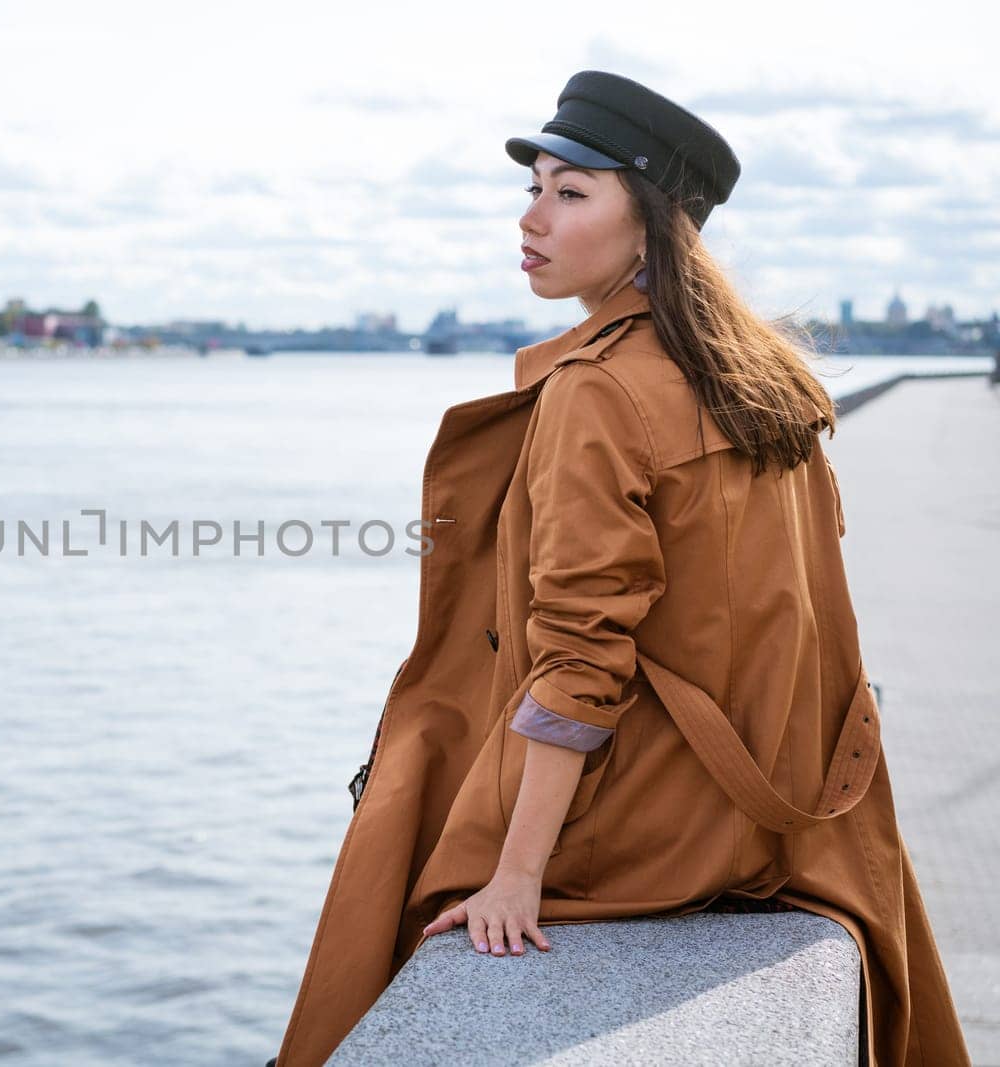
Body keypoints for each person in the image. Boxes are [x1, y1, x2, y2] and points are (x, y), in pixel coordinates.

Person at [269, 71, 969, 1067]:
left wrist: (517, 874)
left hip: (642, 832)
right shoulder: (759, 379)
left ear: (652, 225)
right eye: (532, 187)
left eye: (570, 192)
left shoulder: (595, 392)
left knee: (396, 883)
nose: (531, 218)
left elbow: (581, 661)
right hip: (769, 818)